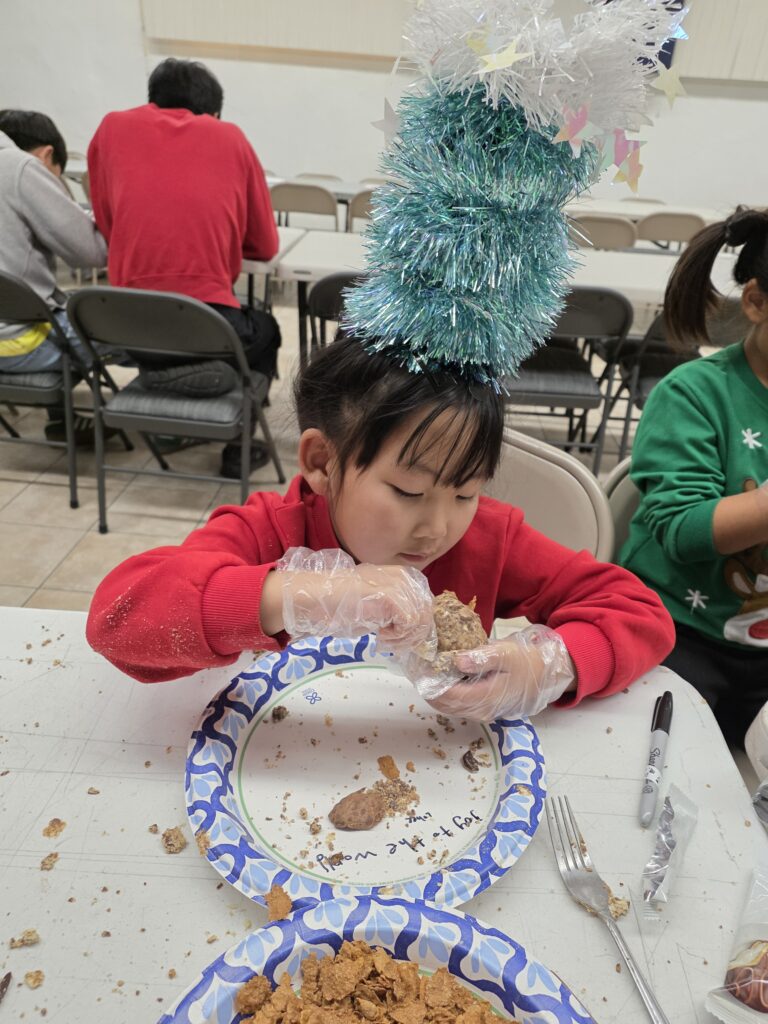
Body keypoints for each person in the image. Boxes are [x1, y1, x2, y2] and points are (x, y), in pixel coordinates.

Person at [87, 333, 674, 720]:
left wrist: (547, 666)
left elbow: (640, 612)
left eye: (465, 492)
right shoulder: (270, 531)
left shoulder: (488, 538)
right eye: (409, 492)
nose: (438, 527)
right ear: (323, 462)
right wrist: (297, 595)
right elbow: (117, 620)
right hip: (273, 755)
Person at [87, 58, 281, 476]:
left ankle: (166, 377)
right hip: (207, 323)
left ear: (153, 98)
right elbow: (265, 246)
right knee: (265, 331)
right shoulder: (230, 137)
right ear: (213, 112)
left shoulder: (110, 129)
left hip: (127, 325)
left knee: (186, 333)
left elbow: (108, 222)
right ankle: (239, 447)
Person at [620, 207, 768, 747]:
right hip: (676, 629)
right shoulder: (695, 393)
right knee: (654, 758)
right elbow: (683, 531)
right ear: (755, 301)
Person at [0, 110, 108, 442]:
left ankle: (62, 417)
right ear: (47, 155)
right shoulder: (20, 168)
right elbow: (91, 253)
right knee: (126, 325)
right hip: (15, 343)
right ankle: (165, 421)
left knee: (57, 305)